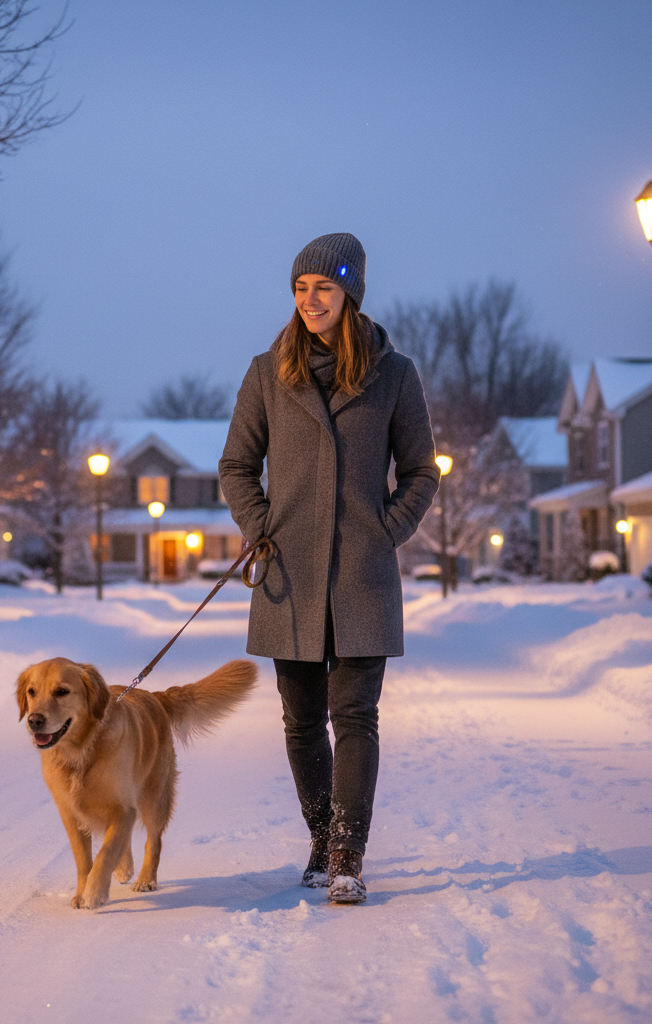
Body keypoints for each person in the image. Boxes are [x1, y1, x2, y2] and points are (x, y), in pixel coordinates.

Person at [218, 233, 439, 903]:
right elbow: (236, 466)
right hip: (289, 576)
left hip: (362, 577)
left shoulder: (393, 374)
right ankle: (319, 837)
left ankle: (347, 852)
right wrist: (261, 527)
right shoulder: (268, 372)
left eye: (324, 288)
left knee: (356, 718)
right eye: (300, 288)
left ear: (351, 294)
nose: (310, 300)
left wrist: (386, 530)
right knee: (301, 721)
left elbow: (422, 471)